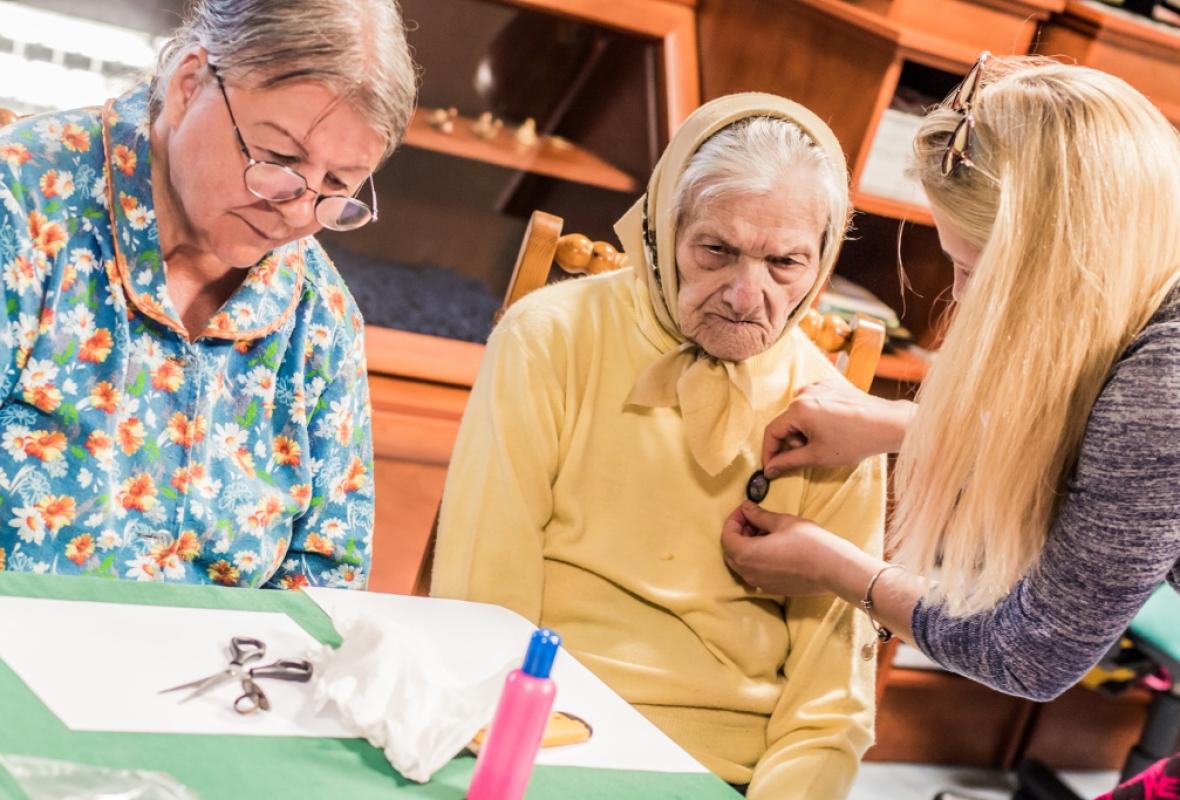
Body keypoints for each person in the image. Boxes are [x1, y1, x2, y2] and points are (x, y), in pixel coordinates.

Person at [721, 54, 1180, 780]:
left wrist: (837, 567)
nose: (961, 299)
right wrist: (907, 427)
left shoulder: (1165, 387)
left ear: (1061, 266)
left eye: (973, 271)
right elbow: (1120, 467)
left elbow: (1027, 652)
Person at [431, 94, 886, 799]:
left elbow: (832, 710)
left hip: (727, 774)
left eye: (784, 263)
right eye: (716, 249)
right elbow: (484, 603)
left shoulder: (842, 423)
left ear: (821, 261)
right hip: (547, 737)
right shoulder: (550, 338)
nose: (744, 293)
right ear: (662, 223)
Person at [0, 0, 416, 588]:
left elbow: (328, 585)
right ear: (190, 85)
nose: (298, 209)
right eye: (278, 158)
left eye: (338, 185)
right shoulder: (23, 209)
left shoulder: (319, 314)